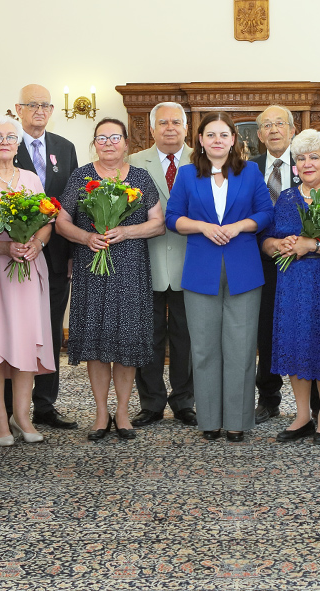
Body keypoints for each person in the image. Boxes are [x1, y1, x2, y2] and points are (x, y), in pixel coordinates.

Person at [165, 112, 274, 442]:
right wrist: (203, 227)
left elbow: (265, 213)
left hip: (243, 269)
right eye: (210, 134)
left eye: (223, 134)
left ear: (233, 140)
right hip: (201, 270)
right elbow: (173, 219)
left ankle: (238, 421)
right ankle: (209, 420)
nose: (217, 140)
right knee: (204, 349)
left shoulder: (250, 172)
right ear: (200, 140)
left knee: (240, 349)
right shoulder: (186, 175)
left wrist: (238, 226)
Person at [56, 118, 164, 441]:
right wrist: (86, 237)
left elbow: (158, 224)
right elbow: (62, 222)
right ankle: (102, 412)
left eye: (114, 137)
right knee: (98, 343)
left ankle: (123, 412)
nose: (108, 143)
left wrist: (127, 231)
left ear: (126, 143)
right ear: (94, 144)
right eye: (101, 138)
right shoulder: (81, 176)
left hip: (131, 269)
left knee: (126, 342)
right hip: (93, 268)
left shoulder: (141, 178)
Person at [0, 84, 80, 431]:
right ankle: (8, 408)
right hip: (6, 259)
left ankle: (45, 405)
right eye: (32, 105)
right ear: (18, 108)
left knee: (48, 330)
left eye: (45, 105)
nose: (39, 110)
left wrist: (71, 255)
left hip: (51, 255)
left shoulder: (64, 148)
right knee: (9, 331)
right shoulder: (4, 143)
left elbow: (73, 205)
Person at [261, 129, 320, 445]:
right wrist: (279, 243)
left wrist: (310, 244)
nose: (306, 163)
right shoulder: (287, 198)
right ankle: (302, 416)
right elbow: (266, 241)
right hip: (292, 285)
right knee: (294, 344)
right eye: (300, 158)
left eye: (314, 157)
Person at [0, 114, 55, 446]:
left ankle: (22, 415)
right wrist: (3, 247)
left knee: (25, 338)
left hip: (29, 270)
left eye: (10, 136)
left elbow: (47, 220)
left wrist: (37, 242)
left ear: (18, 143)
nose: (4, 141)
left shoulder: (31, 179)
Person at [131, 102, 198, 428]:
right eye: (163, 123)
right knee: (149, 337)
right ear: (153, 128)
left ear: (186, 128)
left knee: (187, 338)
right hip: (146, 262)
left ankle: (185, 401)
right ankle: (151, 403)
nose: (170, 128)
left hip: (192, 264)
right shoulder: (132, 163)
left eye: (176, 122)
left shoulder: (201, 161)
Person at [250, 105, 310, 424]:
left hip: (303, 260)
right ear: (259, 135)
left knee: (304, 328)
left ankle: (310, 403)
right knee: (265, 330)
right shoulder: (249, 168)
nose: (273, 130)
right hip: (261, 259)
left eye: (279, 124)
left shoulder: (308, 162)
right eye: (266, 126)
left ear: (292, 130)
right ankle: (269, 398)